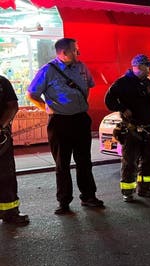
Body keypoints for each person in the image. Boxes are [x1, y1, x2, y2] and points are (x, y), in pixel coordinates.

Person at [27, 38, 104, 215]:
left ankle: (88, 196)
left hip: (80, 119)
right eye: (75, 50)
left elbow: (89, 86)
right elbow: (32, 94)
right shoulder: (47, 70)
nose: (78, 53)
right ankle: (64, 201)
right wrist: (46, 108)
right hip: (60, 122)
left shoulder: (81, 67)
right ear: (63, 53)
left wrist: (81, 104)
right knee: (62, 164)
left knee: (84, 161)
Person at [105, 54, 150, 202]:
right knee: (130, 161)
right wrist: (122, 108)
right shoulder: (123, 83)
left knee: (148, 160)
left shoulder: (147, 83)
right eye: (148, 66)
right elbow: (109, 100)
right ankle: (128, 192)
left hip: (147, 129)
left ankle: (145, 188)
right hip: (132, 129)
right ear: (139, 66)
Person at [0, 76, 29, 225]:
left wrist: (0, 127)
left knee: (5, 175)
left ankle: (10, 212)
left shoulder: (2, 82)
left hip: (0, 140)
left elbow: (12, 106)